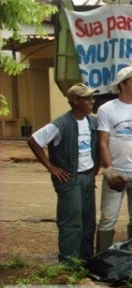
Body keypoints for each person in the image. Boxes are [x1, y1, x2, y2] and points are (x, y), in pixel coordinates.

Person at [27, 83, 99, 265]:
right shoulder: (60, 124)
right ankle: (68, 265)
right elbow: (34, 141)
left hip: (87, 177)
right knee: (71, 223)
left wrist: (95, 169)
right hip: (70, 179)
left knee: (88, 222)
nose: (92, 101)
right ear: (76, 101)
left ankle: (85, 260)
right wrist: (52, 167)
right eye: (88, 98)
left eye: (92, 97)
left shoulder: (92, 121)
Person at [96, 65, 132, 253]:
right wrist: (109, 169)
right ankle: (102, 258)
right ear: (122, 85)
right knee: (108, 218)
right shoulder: (107, 109)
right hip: (117, 172)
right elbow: (103, 142)